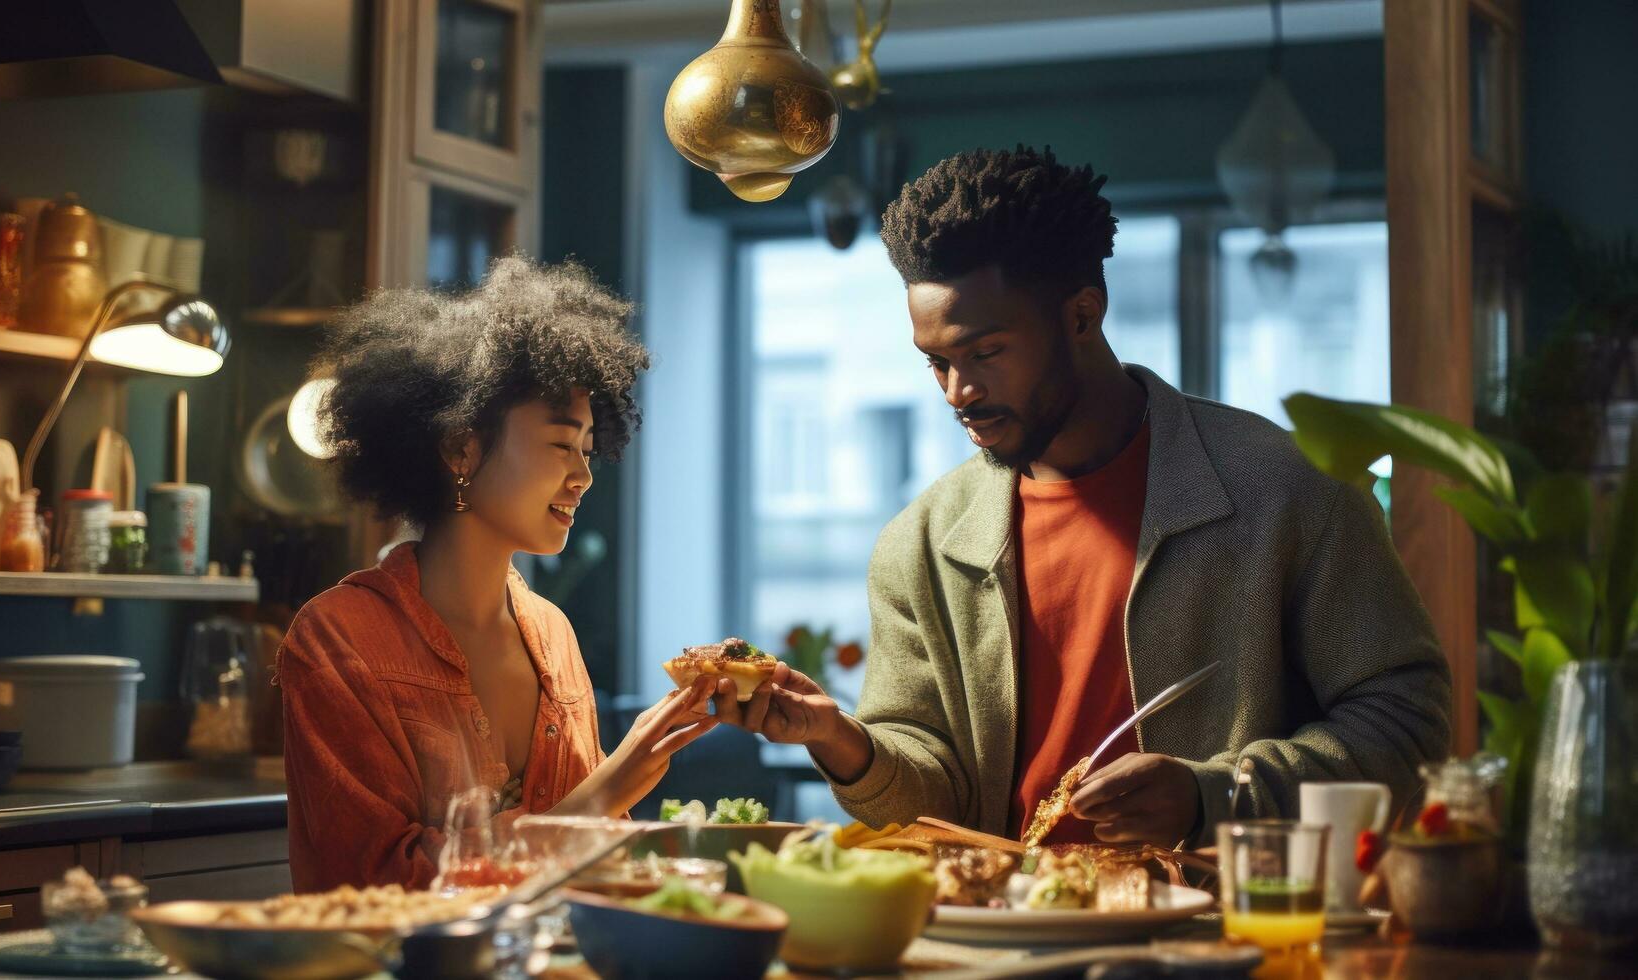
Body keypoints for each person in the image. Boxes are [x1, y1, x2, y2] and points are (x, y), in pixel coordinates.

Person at [713, 146, 1452, 847]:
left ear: (1081, 313)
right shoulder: (922, 542)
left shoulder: (1288, 490)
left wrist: (1212, 797)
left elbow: (1404, 720)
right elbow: (931, 800)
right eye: (935, 362)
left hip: (1216, 937)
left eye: (986, 353)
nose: (958, 392)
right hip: (996, 939)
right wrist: (838, 740)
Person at [279, 258, 716, 891]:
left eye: (590, 450)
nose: (583, 476)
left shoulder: (554, 635)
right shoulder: (338, 640)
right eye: (562, 445)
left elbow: (594, 874)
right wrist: (603, 794)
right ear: (461, 446)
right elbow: (371, 881)